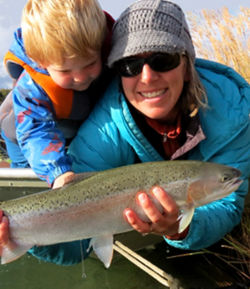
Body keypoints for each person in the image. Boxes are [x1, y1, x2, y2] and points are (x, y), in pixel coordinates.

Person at [1, 0, 250, 265]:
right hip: (23, 138)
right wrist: (16, 237)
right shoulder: (104, 131)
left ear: (187, 65)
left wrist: (181, 227)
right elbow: (76, 248)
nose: (147, 77)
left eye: (162, 60)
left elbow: (228, 205)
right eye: (130, 66)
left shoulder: (233, 112)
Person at [0, 0, 114, 188]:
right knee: (27, 179)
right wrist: (58, 172)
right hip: (22, 135)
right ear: (41, 62)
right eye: (65, 71)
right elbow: (35, 132)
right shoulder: (32, 86)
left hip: (71, 127)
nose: (80, 77)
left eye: (90, 64)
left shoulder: (106, 47)